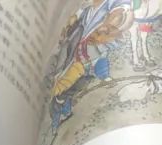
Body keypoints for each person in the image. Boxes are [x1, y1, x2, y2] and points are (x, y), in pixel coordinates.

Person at [48, 0, 134, 133]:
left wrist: (110, 26)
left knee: (70, 86)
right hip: (75, 53)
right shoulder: (87, 11)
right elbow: (78, 21)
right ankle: (61, 113)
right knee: (62, 87)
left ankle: (62, 110)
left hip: (86, 60)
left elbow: (120, 13)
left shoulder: (113, 8)